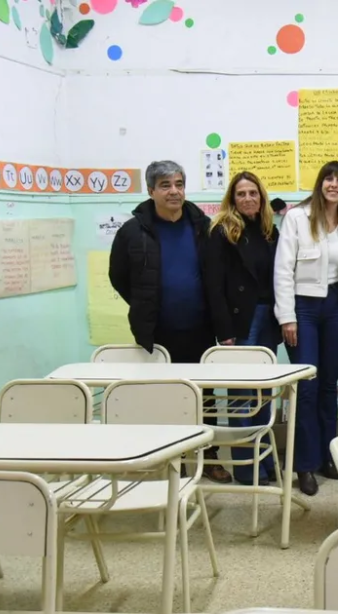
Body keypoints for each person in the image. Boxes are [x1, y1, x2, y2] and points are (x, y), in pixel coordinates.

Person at [109, 160, 230, 483]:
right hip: (157, 331)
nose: (174, 191)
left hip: (199, 328)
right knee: (161, 395)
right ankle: (163, 456)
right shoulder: (133, 231)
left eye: (178, 184)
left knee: (203, 395)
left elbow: (216, 277)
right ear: (151, 191)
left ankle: (209, 456)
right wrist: (144, 305)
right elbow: (117, 276)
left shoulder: (202, 226)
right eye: (165, 185)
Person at [274, 160, 338, 496]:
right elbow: (282, 270)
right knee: (306, 388)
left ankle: (327, 457)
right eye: (329, 178)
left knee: (328, 387)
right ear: (320, 183)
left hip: (337, 306)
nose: (334, 185)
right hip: (303, 308)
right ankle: (304, 465)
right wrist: (287, 317)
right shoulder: (297, 218)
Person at [204, 170, 280, 486]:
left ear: (261, 198)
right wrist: (225, 332)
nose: (248, 198)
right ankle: (246, 469)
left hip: (268, 319)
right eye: (241, 194)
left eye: (253, 193)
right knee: (241, 396)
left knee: (263, 395)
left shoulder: (270, 232)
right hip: (240, 321)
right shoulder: (221, 232)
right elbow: (213, 286)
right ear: (232, 199)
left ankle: (262, 462)